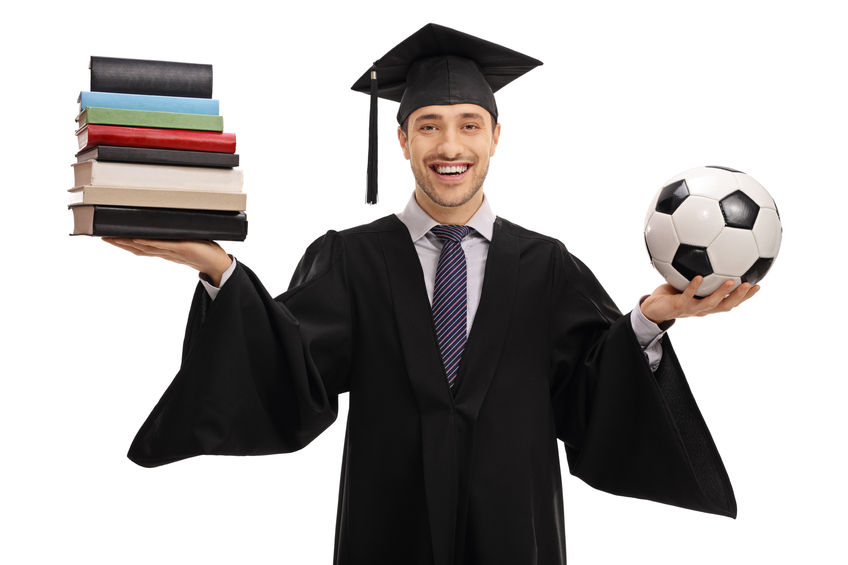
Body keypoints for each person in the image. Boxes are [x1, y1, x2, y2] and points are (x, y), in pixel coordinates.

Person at [105, 23, 758, 565]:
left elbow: (592, 395)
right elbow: (287, 367)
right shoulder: (352, 258)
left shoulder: (547, 266)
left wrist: (648, 318)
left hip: (516, 543)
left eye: (470, 125)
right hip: (386, 540)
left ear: (496, 138)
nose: (451, 145)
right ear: (403, 139)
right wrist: (219, 268)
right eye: (429, 125)